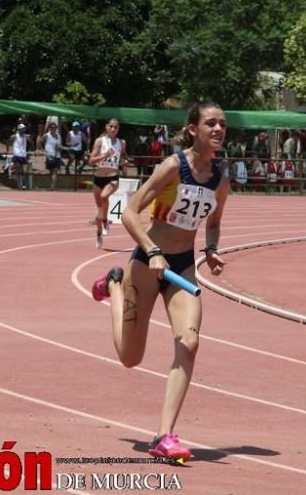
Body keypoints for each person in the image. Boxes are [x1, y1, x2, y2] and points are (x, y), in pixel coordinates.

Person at [90, 102, 229, 463]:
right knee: (130, 358)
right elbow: (131, 212)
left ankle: (164, 435)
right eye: (210, 123)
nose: (218, 129)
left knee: (190, 341)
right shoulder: (173, 167)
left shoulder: (220, 179)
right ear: (193, 129)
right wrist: (151, 250)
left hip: (181, 268)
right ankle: (115, 285)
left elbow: (213, 222)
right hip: (147, 263)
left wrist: (211, 250)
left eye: (222, 124)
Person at [87, 118, 127, 249]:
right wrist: (105, 155)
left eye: (116, 127)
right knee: (99, 212)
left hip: (113, 177)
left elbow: (122, 158)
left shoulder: (121, 143)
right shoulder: (100, 141)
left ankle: (106, 220)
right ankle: (99, 234)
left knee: (105, 197)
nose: (113, 129)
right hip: (98, 178)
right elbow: (91, 160)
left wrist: (124, 164)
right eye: (111, 126)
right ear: (106, 127)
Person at [39, 121, 63, 191]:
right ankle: (52, 186)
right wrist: (43, 150)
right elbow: (40, 142)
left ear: (56, 128)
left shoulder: (59, 136)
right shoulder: (47, 135)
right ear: (50, 128)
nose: (53, 128)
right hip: (49, 155)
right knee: (51, 172)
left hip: (57, 156)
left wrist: (60, 148)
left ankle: (52, 187)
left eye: (54, 127)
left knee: (55, 171)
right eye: (52, 127)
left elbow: (60, 146)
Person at [10, 124, 30, 190]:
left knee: (26, 171)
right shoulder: (15, 136)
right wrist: (9, 150)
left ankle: (24, 184)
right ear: (19, 129)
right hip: (17, 155)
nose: (24, 130)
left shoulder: (26, 136)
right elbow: (8, 141)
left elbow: (31, 142)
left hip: (23, 155)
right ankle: (19, 186)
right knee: (17, 172)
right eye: (22, 129)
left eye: (24, 129)